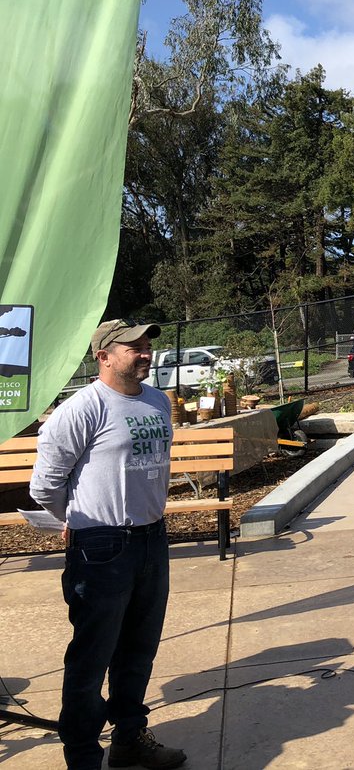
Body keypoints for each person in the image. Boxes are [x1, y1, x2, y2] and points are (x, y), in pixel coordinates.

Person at [29, 319, 186, 770]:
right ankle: (82, 758)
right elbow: (45, 486)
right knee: (91, 656)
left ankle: (129, 740)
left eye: (146, 345)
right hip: (102, 546)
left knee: (139, 648)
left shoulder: (157, 402)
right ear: (104, 356)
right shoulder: (82, 409)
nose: (144, 352)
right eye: (133, 347)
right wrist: (77, 521)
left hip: (152, 539)